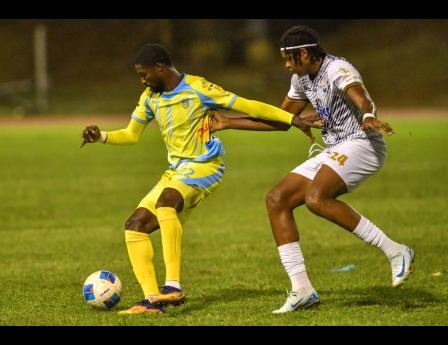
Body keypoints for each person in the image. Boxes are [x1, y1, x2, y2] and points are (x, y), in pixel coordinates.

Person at [80, 43, 316, 315]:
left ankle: (172, 286)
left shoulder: (198, 88)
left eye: (144, 74)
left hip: (205, 167)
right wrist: (101, 137)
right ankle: (152, 301)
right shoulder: (150, 97)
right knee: (134, 226)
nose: (142, 80)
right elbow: (131, 134)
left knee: (166, 203)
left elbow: (248, 105)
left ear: (160, 68)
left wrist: (291, 118)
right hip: (176, 172)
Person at [211, 25, 415, 314]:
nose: (285, 64)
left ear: (304, 53)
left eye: (289, 58)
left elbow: (360, 96)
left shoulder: (336, 68)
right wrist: (229, 122)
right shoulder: (301, 79)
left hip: (363, 142)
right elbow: (282, 119)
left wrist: (368, 115)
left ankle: (396, 250)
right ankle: (302, 289)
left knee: (316, 198)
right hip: (336, 148)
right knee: (277, 199)